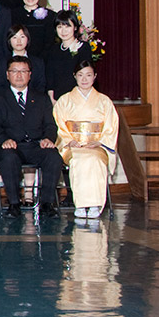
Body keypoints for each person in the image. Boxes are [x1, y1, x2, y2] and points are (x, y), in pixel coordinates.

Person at [0, 57, 64, 217]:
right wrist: (4, 140)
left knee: (53, 157)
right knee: (9, 158)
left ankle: (46, 204)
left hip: (35, 145)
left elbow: (50, 125)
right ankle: (14, 204)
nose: (19, 75)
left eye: (23, 71)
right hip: (11, 146)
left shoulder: (41, 98)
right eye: (14, 71)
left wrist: (48, 138)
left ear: (30, 74)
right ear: (7, 74)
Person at [53, 61, 118, 218]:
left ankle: (95, 204)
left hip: (96, 145)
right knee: (79, 159)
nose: (84, 79)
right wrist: (69, 140)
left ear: (94, 77)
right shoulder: (64, 100)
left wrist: (100, 142)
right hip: (73, 146)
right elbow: (58, 124)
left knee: (95, 159)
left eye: (88, 75)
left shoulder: (104, 101)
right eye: (80, 75)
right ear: (74, 76)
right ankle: (81, 205)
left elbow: (111, 126)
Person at [44, 9, 93, 101]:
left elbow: (85, 75)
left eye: (67, 26)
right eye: (59, 27)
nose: (63, 31)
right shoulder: (53, 50)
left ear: (75, 27)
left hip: (78, 97)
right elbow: (50, 77)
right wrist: (52, 98)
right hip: (58, 99)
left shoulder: (83, 48)